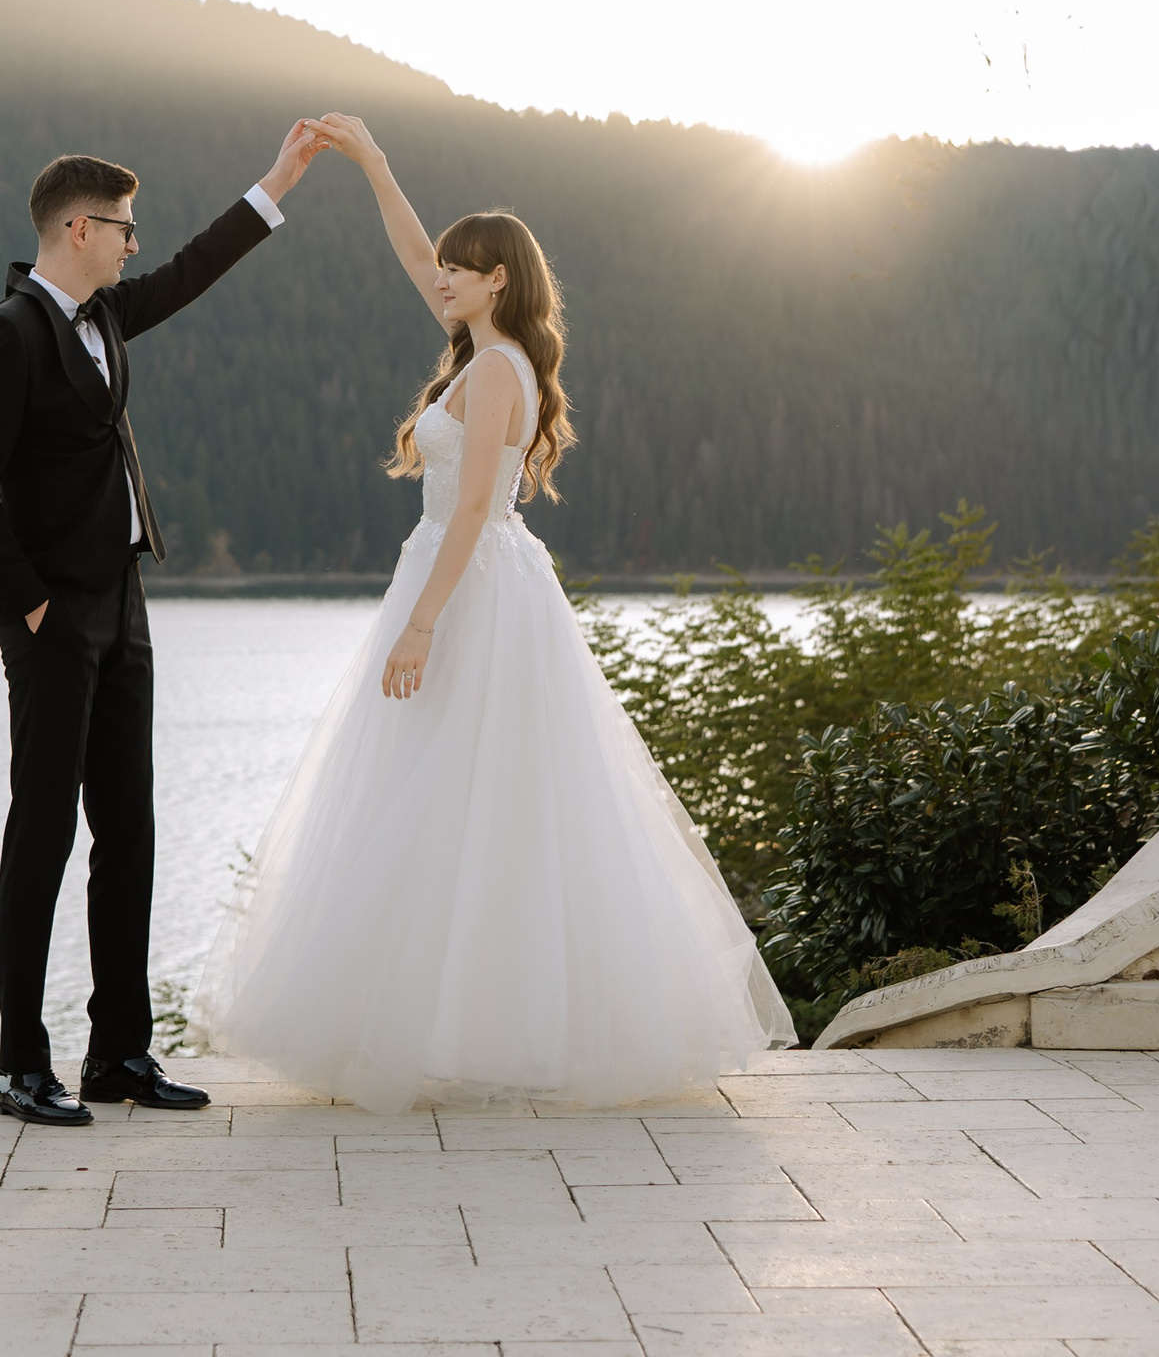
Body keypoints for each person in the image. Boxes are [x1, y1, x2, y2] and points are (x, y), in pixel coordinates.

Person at [197, 112, 793, 1112]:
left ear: (498, 280)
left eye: (460, 269)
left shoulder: (499, 369)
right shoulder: (483, 353)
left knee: (479, 797)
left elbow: (475, 506)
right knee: (444, 798)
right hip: (460, 575)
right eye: (444, 267)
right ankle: (446, 1024)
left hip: (466, 585)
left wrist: (423, 621)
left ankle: (482, 1031)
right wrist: (373, 163)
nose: (441, 278)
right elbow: (411, 254)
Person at [0, 124, 320, 1127]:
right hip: (52, 619)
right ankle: (20, 1067)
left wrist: (276, 184)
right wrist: (30, 606)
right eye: (121, 227)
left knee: (130, 831)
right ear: (77, 227)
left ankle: (118, 1055)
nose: (133, 242)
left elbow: (193, 269)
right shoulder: (8, 335)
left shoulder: (108, 315)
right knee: (42, 834)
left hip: (123, 603)